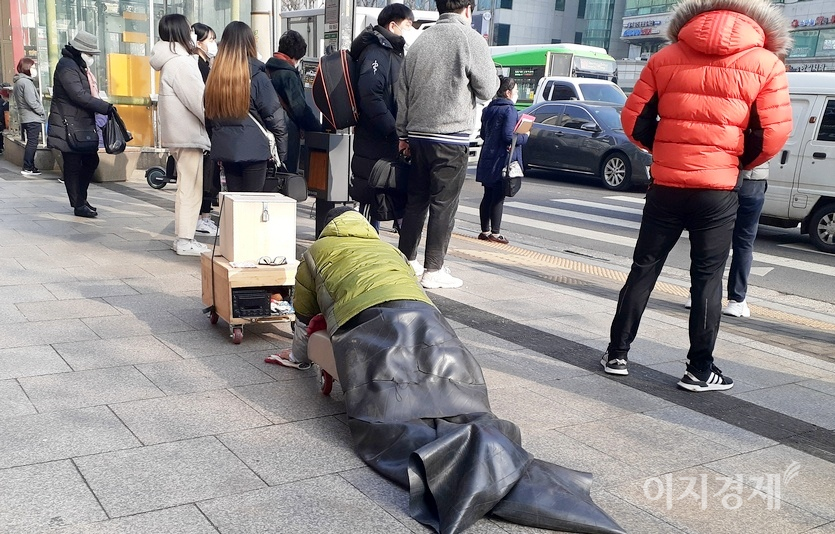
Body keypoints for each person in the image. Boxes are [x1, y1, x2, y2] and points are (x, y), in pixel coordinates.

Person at [274, 206, 625, 534]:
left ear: (327, 230)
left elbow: (303, 316)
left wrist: (298, 357)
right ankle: (494, 452)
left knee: (393, 418)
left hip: (367, 322)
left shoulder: (316, 252)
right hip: (427, 318)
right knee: (460, 405)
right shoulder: (388, 249)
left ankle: (469, 466)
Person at [602, 0, 792, 392]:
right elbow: (771, 133)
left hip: (666, 185)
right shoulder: (766, 64)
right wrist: (735, 161)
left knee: (644, 268)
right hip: (717, 192)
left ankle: (617, 354)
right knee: (706, 279)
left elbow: (634, 120)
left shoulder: (665, 56)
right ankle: (699, 370)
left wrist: (666, 150)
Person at [396, 0, 498, 289]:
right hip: (450, 136)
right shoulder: (470, 38)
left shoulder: (420, 40)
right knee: (444, 204)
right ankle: (433, 269)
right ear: (468, 9)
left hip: (417, 136)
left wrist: (403, 135)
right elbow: (488, 88)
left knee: (416, 201)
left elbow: (401, 92)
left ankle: (406, 260)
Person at [347, 4, 414, 233]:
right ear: (392, 25)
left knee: (383, 198)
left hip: (383, 141)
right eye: (407, 26)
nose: (409, 32)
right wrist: (394, 129)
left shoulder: (391, 51)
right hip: (375, 140)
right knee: (371, 198)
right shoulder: (376, 51)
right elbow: (370, 95)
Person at [150, 14, 211, 257]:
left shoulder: (169, 61)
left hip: (178, 134)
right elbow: (200, 102)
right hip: (188, 134)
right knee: (190, 187)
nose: (193, 34)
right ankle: (185, 239)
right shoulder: (182, 63)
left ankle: (185, 237)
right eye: (189, 29)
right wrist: (215, 124)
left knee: (188, 185)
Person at [206, 21, 288, 193]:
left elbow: (209, 115)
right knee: (252, 203)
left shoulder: (215, 78)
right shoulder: (257, 77)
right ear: (250, 43)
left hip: (227, 149)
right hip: (255, 149)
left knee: (234, 201)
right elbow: (275, 117)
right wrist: (281, 153)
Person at [47, 29, 114, 218]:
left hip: (81, 123)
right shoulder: (67, 66)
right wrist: (104, 106)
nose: (92, 58)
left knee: (91, 161)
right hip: (69, 124)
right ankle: (78, 203)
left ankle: (81, 199)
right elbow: (78, 95)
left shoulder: (78, 65)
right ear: (81, 51)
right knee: (73, 165)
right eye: (91, 54)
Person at [475, 76, 528, 245]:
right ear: (508, 92)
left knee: (488, 194)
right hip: (501, 158)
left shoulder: (489, 108)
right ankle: (495, 233)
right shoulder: (509, 110)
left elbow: (483, 134)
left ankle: (485, 230)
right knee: (498, 196)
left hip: (487, 156)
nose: (517, 94)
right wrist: (524, 136)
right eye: (516, 90)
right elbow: (508, 137)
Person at [265, 30, 322, 174]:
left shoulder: (267, 69)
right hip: (287, 131)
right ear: (295, 56)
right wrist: (318, 128)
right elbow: (299, 108)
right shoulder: (288, 74)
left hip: (269, 128)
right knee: (286, 174)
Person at [725, 161, 770, 318]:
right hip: (753, 181)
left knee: (714, 237)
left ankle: (699, 293)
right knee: (744, 242)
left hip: (724, 177)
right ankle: (736, 301)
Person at [192, 22, 220, 237]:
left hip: (208, 128)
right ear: (198, 42)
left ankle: (205, 216)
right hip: (203, 128)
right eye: (210, 39)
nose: (213, 44)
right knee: (205, 175)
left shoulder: (207, 64)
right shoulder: (196, 67)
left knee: (210, 174)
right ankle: (202, 217)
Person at [13, 57, 46, 176]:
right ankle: (28, 166)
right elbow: (31, 101)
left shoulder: (19, 81)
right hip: (32, 117)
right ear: (27, 67)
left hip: (25, 117)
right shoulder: (25, 82)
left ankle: (30, 166)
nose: (34, 69)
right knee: (32, 143)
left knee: (31, 142)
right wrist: (42, 110)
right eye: (32, 67)